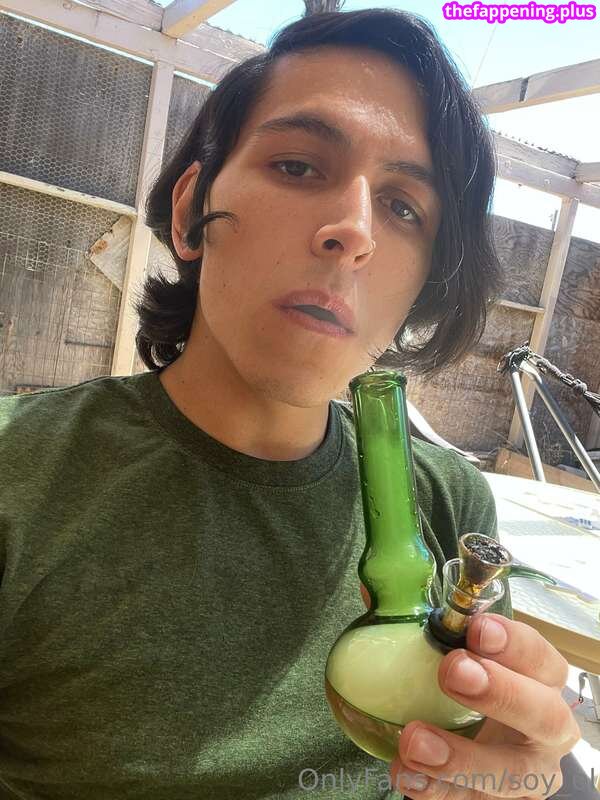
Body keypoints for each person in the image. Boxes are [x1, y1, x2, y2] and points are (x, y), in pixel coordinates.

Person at [0, 6, 580, 799]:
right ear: (191, 211)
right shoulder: (20, 476)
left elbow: (487, 757)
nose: (354, 230)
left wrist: (513, 773)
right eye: (299, 166)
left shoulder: (447, 505)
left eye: (404, 208)